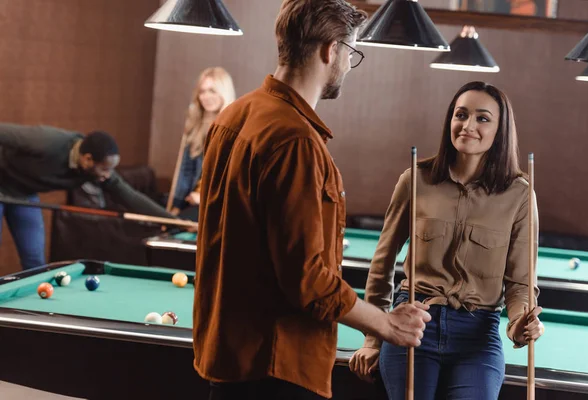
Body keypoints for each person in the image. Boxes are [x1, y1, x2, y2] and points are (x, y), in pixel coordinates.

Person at [192, 1, 432, 399]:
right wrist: (386, 324)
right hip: (278, 366)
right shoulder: (295, 141)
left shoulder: (231, 117)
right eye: (351, 53)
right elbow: (308, 281)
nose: (347, 66)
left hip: (229, 359)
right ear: (330, 50)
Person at [349, 81, 545, 399]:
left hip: (478, 335)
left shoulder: (520, 194)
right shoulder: (416, 179)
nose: (467, 125)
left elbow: (521, 285)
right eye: (460, 114)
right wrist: (373, 338)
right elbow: (382, 263)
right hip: (414, 322)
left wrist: (520, 325)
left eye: (482, 118)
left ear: (500, 131)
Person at [0, 123, 176, 270]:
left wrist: (172, 221)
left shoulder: (97, 171)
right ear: (87, 159)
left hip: (24, 194)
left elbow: (130, 196)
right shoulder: (48, 142)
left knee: (34, 260)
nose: (108, 175)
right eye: (105, 169)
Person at [167, 67, 236, 218]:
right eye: (202, 91)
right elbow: (186, 171)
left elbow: (233, 177)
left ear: (224, 92)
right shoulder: (195, 126)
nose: (206, 96)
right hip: (192, 201)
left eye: (212, 90)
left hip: (220, 204)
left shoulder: (235, 128)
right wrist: (176, 207)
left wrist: (203, 197)